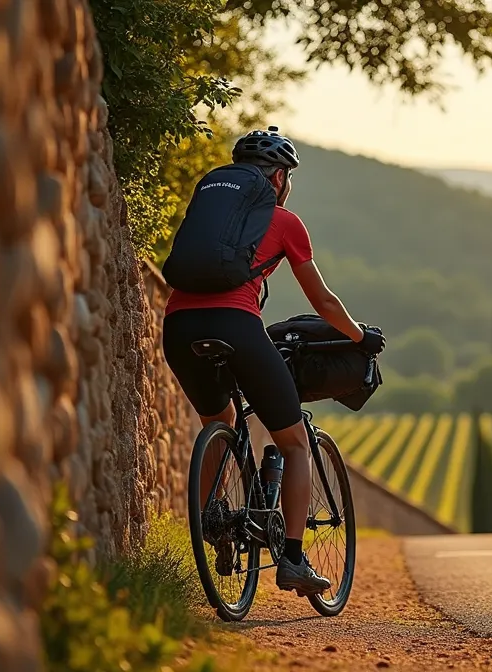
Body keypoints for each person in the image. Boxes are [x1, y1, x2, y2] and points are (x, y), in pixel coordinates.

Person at [161, 126, 384, 595]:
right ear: (279, 178)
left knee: (217, 420)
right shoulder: (284, 222)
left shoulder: (209, 214)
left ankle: (213, 522)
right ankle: (294, 560)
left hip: (178, 328)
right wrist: (359, 336)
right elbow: (324, 302)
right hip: (236, 326)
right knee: (295, 443)